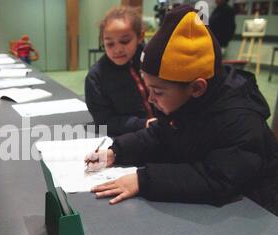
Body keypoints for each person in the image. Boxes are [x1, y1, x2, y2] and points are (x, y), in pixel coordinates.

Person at [85, 5, 278, 213]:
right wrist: (117, 151)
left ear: (196, 87)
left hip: (257, 212)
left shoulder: (241, 121)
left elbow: (217, 178)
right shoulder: (185, 101)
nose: (150, 98)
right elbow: (160, 134)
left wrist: (144, 180)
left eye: (157, 92)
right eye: (148, 88)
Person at [85, 6, 156, 137]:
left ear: (140, 36)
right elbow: (103, 121)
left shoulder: (154, 59)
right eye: (110, 44)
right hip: (130, 136)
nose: (117, 49)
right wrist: (143, 124)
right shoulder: (96, 77)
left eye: (125, 41)